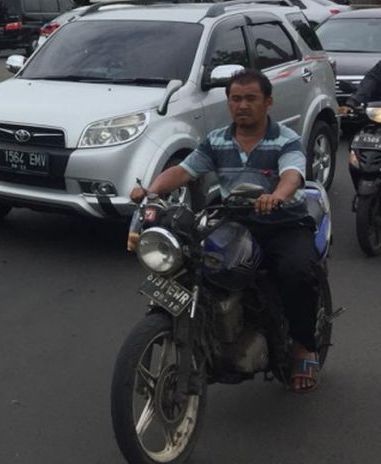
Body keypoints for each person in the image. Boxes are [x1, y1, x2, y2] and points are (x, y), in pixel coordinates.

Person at [130, 69, 321, 393]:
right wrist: (152, 191)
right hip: (234, 220)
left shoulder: (284, 139)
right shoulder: (217, 139)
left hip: (282, 222)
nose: (242, 105)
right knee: (194, 266)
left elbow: (291, 174)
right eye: (235, 98)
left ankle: (304, 346)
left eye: (250, 98)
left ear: (267, 102)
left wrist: (276, 196)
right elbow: (184, 170)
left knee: (297, 272)